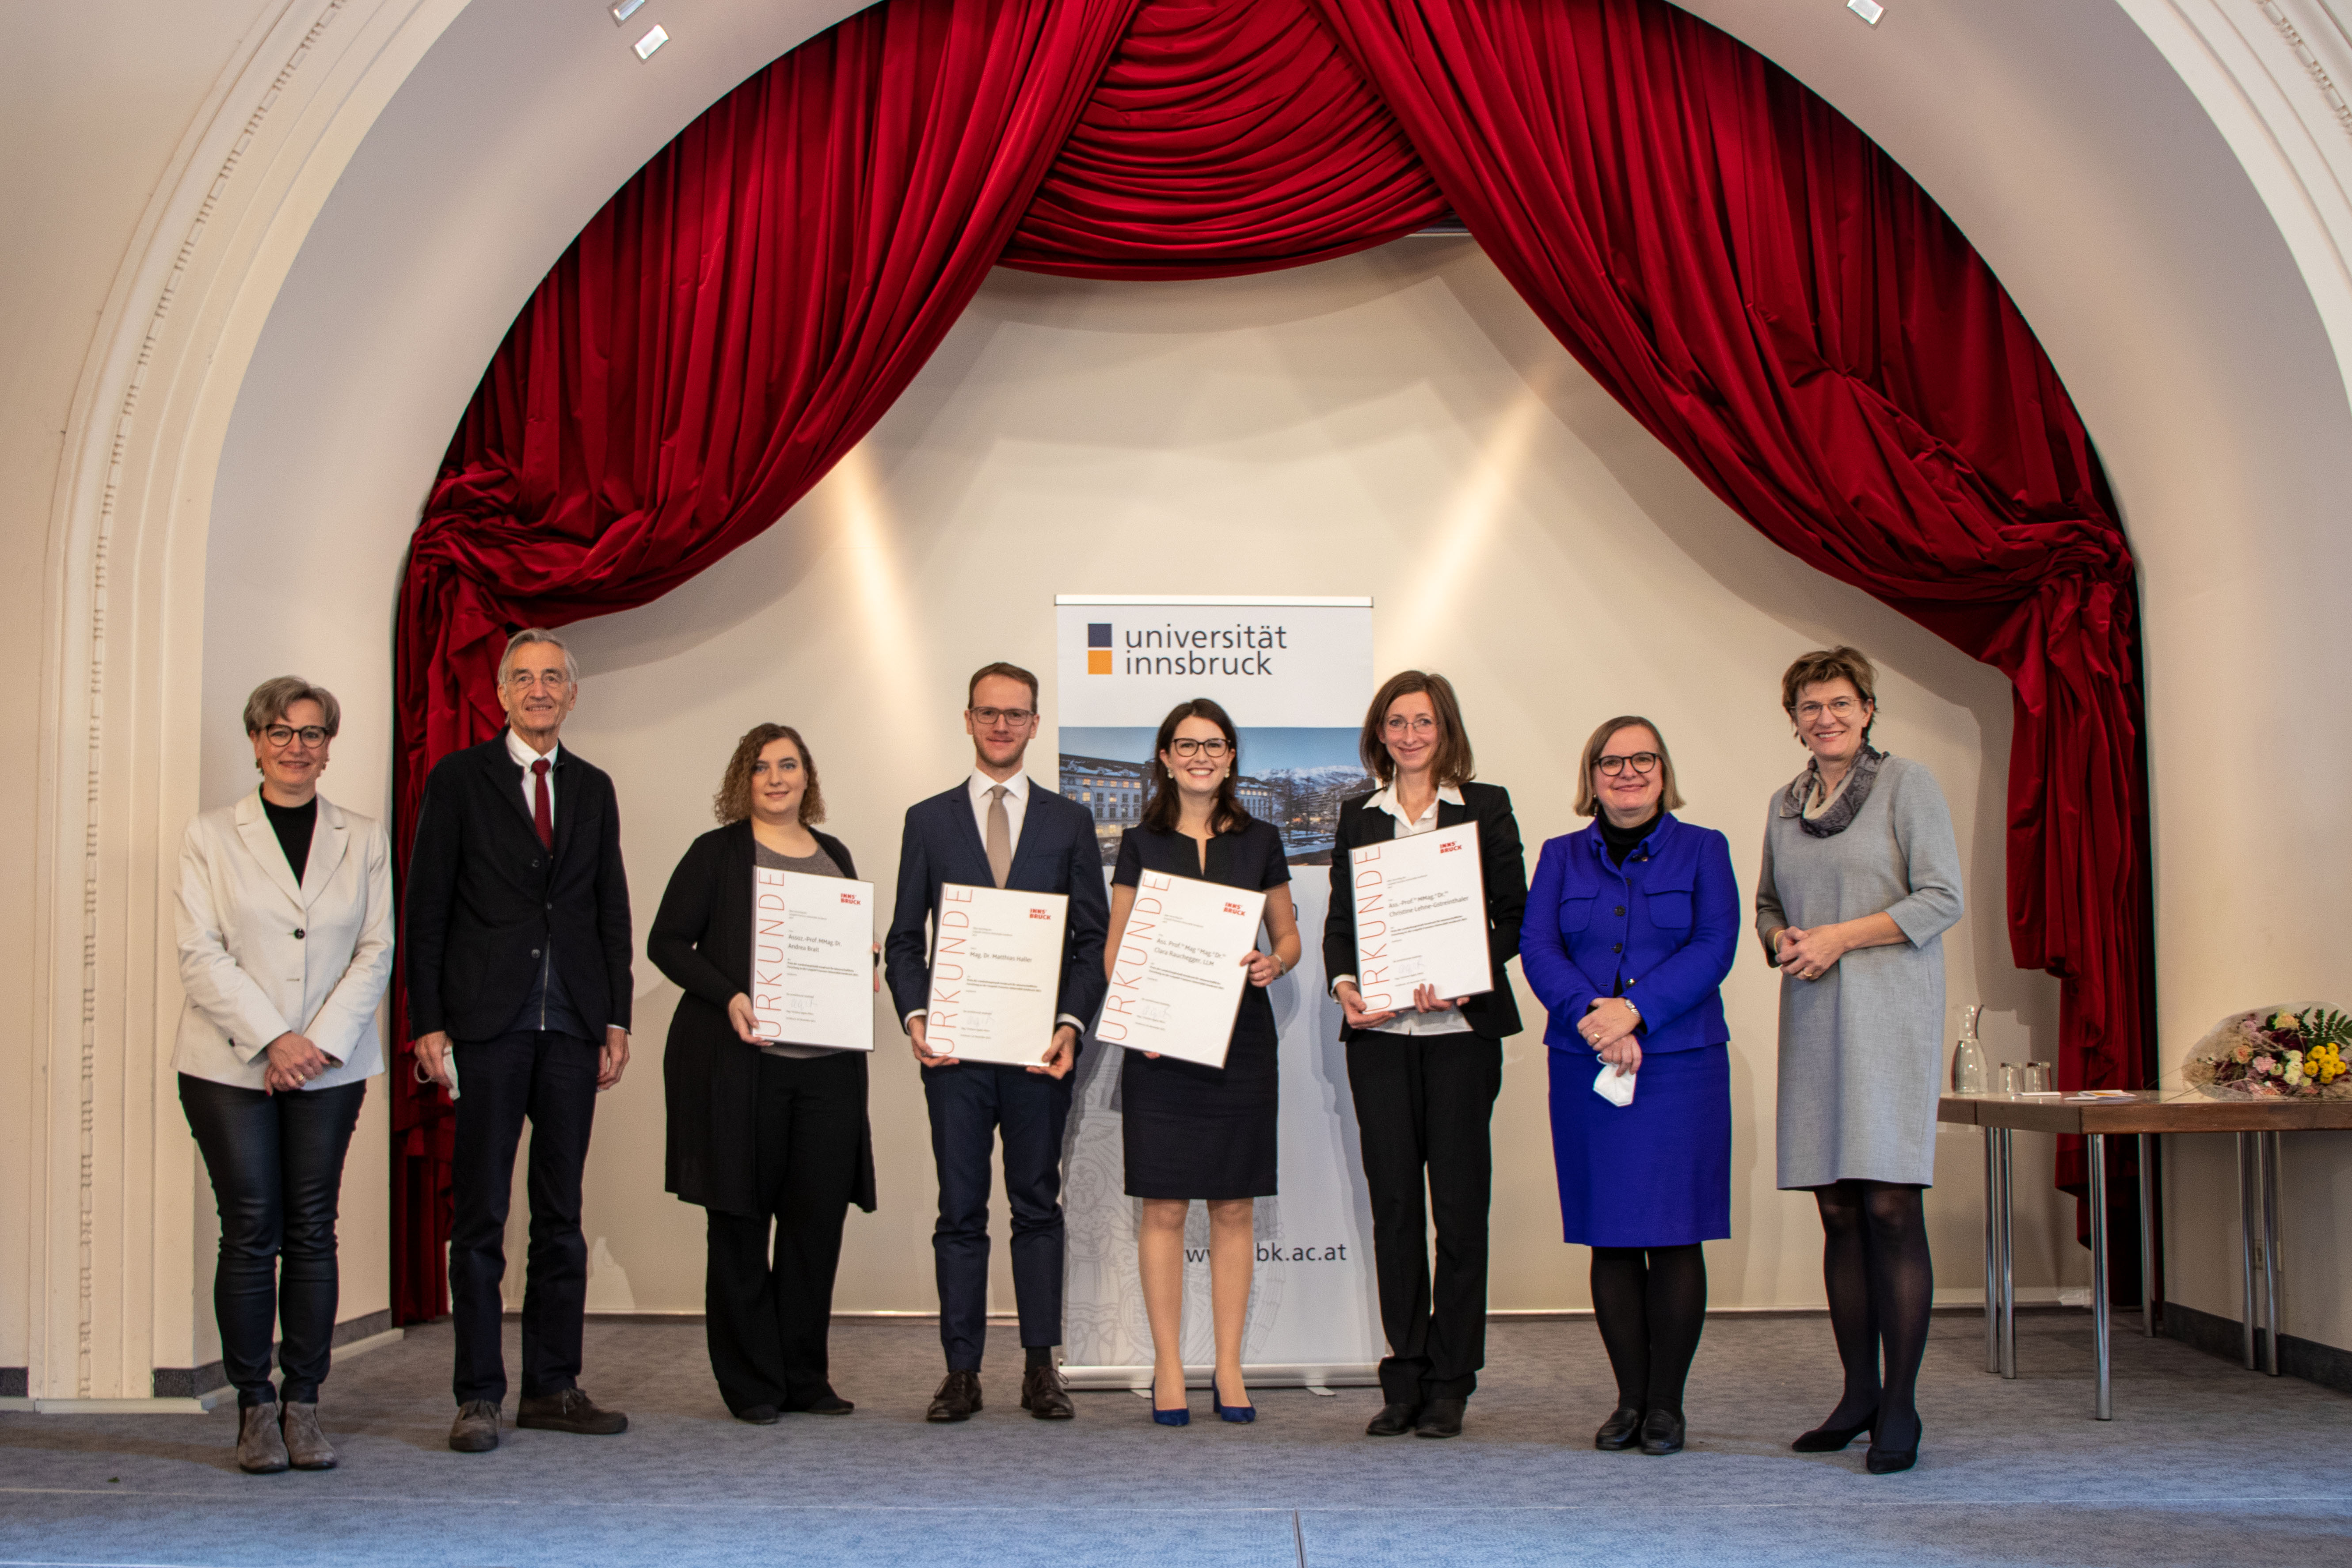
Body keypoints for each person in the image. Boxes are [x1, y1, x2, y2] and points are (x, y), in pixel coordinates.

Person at [406, 628, 636, 1454]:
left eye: (553, 679)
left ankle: (552, 1386)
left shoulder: (595, 787)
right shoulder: (459, 780)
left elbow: (609, 905)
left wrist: (616, 1018)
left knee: (560, 1218)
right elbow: (426, 908)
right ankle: (477, 1396)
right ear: (500, 695)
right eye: (523, 678)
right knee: (480, 1219)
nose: (539, 691)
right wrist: (426, 1021)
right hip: (487, 1026)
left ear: (572, 696)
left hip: (573, 1026)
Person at [174, 677, 394, 1474]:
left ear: (330, 746)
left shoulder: (363, 838)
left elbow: (377, 948)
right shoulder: (210, 835)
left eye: (313, 733)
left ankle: (304, 1402)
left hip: (329, 1069)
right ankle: (253, 1409)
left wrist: (317, 1044)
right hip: (228, 1065)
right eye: (280, 731)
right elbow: (200, 953)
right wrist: (274, 1039)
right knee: (251, 1227)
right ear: (256, 740)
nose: (296, 746)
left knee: (310, 1228)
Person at [883, 662, 1110, 1423]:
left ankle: (1041, 1368)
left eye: (1017, 714)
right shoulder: (929, 819)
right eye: (989, 713)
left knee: (1037, 1205)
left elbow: (1090, 941)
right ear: (969, 719)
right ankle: (961, 1372)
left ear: (1035, 724)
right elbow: (904, 940)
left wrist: (1071, 1025)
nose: (1002, 726)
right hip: (955, 1054)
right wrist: (916, 1019)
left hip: (1039, 1052)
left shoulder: (1068, 821)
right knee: (960, 1211)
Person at [1755, 646, 1962, 1476]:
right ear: (1794, 718)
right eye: (1810, 706)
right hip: (1813, 1018)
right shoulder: (1783, 802)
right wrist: (1781, 939)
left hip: (1887, 1016)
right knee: (1836, 1210)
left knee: (1887, 1208)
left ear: (1867, 708)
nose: (1825, 718)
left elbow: (1940, 897)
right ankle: (1856, 1393)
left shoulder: (1908, 785)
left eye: (1839, 703)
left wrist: (1840, 935)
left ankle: (1902, 1403)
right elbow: (1768, 901)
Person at [1521, 716, 1738, 1458]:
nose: (1626, 772)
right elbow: (1536, 945)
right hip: (1585, 1063)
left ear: (1662, 769)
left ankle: (1667, 1407)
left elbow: (1716, 945)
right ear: (1591, 776)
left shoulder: (1705, 849)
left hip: (1678, 1065)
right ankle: (1629, 1400)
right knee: (1610, 1239)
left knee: (1674, 1236)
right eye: (1610, 762)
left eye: (1641, 759)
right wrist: (1592, 1016)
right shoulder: (1557, 856)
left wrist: (1636, 1012)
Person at [651, 724, 877, 1423]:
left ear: (807, 775)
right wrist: (730, 995)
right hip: (740, 1069)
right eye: (760, 768)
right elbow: (666, 942)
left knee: (815, 1229)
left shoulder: (833, 853)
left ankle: (805, 1378)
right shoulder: (716, 853)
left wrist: (857, 961)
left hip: (828, 1074)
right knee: (741, 1225)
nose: (776, 778)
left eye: (788, 764)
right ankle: (752, 1384)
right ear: (741, 782)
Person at [1324, 671, 1527, 1440]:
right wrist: (1345, 983)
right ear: (1379, 733)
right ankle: (1403, 1375)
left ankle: (1452, 1380)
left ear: (1446, 730)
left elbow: (1514, 915)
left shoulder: (1486, 808)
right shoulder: (1358, 817)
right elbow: (1342, 921)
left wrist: (1466, 972)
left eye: (1424, 722)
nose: (1409, 736)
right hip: (1379, 1039)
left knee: (1460, 1213)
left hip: (1457, 1040)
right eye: (1395, 723)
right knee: (1396, 1212)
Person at [1103, 700, 1301, 1427]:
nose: (1199, 756)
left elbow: (1288, 937)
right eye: (1185, 744)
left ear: (1229, 756)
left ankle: (1226, 1366)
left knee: (1233, 1205)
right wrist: (1135, 1018)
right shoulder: (1139, 840)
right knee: (1161, 1205)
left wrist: (1270, 963)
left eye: (1212, 744)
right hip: (1159, 1043)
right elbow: (1116, 948)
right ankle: (1165, 1366)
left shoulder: (1262, 839)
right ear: (1164, 756)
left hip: (1239, 1043)